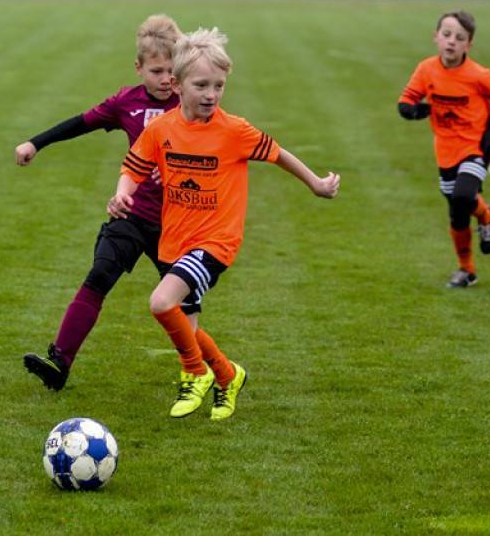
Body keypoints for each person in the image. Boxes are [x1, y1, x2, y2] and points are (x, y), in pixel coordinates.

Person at [108, 27, 340, 420]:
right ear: (176, 84)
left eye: (218, 85)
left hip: (216, 242)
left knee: (161, 302)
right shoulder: (160, 129)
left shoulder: (234, 130)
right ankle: (227, 375)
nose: (211, 94)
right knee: (188, 327)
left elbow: (279, 153)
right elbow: (134, 166)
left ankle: (195, 371)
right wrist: (121, 193)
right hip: (174, 241)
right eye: (201, 85)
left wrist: (316, 183)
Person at [18, 14, 183, 391]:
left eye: (172, 71)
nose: (165, 79)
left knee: (179, 305)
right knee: (99, 275)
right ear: (138, 67)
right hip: (132, 214)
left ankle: (204, 372)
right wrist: (35, 143)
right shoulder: (126, 102)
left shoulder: (191, 103)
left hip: (177, 222)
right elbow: (79, 123)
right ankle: (60, 361)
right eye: (156, 70)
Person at [398, 10, 490, 289]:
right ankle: (467, 270)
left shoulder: (479, 75)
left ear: (468, 45)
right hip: (445, 150)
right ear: (435, 37)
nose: (451, 42)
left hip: (475, 146)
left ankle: (485, 216)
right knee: (457, 212)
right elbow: (406, 100)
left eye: (459, 38)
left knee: (462, 195)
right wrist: (412, 111)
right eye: (446, 35)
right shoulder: (426, 69)